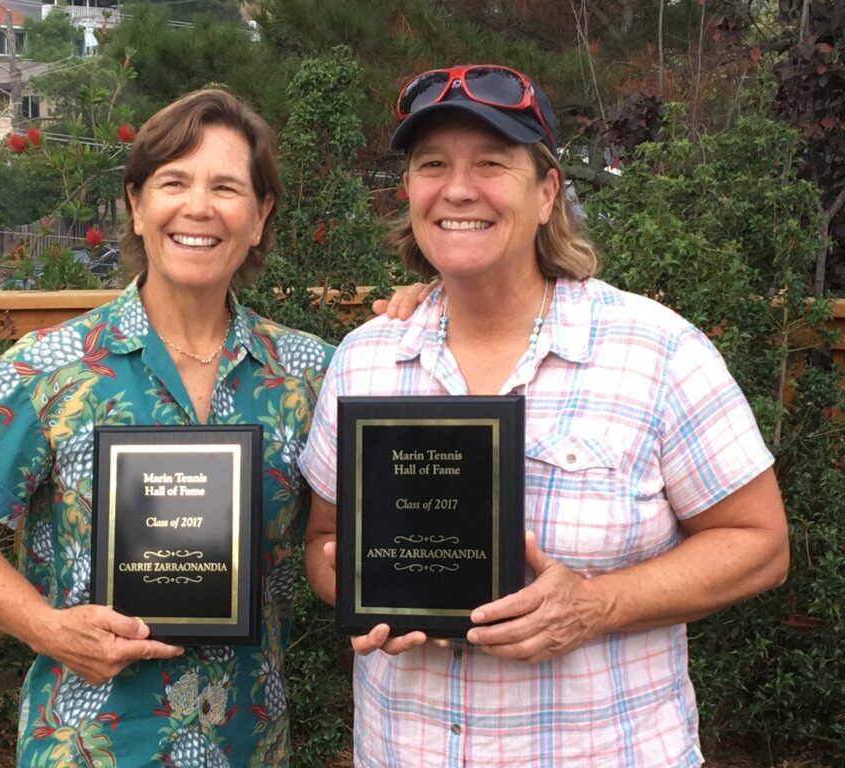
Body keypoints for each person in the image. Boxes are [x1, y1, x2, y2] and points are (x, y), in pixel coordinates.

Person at [0, 89, 425, 767]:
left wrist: (431, 307)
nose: (198, 207)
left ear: (260, 214)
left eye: (226, 187)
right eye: (173, 182)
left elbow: (363, 526)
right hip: (88, 749)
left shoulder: (311, 374)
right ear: (136, 203)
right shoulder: (50, 369)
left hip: (249, 744)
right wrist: (46, 627)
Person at [298, 64, 790, 767]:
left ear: (547, 192)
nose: (458, 188)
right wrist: (362, 586)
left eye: (491, 164)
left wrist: (595, 605)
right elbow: (323, 540)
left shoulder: (657, 350)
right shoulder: (365, 359)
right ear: (408, 191)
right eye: (432, 164)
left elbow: (761, 543)